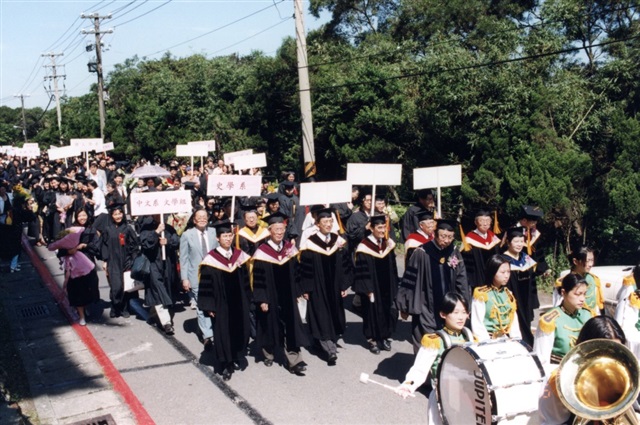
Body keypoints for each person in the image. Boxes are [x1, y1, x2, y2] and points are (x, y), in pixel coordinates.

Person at [394, 292, 475, 425]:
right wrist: (408, 385)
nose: (461, 317)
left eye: (464, 312)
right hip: (442, 397)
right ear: (443, 314)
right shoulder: (435, 341)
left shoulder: (470, 338)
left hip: (466, 398)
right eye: (455, 312)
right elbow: (420, 368)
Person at [538, 316, 629, 425]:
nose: (614, 359)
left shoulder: (625, 375)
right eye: (607, 353)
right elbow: (552, 422)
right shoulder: (558, 380)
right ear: (588, 350)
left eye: (618, 352)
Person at [396, 219, 469, 352]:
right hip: (426, 306)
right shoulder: (422, 253)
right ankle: (423, 370)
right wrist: (405, 306)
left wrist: (465, 305)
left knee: (448, 341)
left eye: (450, 237)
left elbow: (461, 279)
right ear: (435, 234)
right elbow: (409, 281)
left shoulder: (453, 251)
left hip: (449, 306)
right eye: (443, 236)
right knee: (426, 341)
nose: (447, 240)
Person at [252, 212, 309, 375]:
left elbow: (297, 272)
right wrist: (262, 299)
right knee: (269, 325)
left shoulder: (290, 249)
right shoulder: (262, 252)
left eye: (282, 229)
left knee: (291, 325)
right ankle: (268, 353)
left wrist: (299, 291)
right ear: (269, 230)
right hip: (270, 296)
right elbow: (258, 278)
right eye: (276, 229)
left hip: (288, 295)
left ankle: (294, 360)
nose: (279, 232)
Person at [197, 220, 252, 381]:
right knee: (223, 333)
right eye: (224, 236)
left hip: (239, 302)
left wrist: (248, 299)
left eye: (229, 235)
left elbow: (246, 280)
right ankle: (226, 363)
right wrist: (209, 306)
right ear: (217, 238)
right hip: (221, 304)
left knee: (239, 329)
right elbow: (205, 285)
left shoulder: (239, 256)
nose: (228, 239)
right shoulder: (211, 260)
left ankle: (236, 356)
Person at [298, 207, 353, 365]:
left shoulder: (338, 241)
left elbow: (344, 266)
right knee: (321, 315)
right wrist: (306, 289)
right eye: (325, 222)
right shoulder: (310, 243)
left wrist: (343, 286)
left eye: (330, 221)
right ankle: (329, 350)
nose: (328, 224)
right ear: (318, 224)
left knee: (333, 314)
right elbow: (305, 269)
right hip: (317, 287)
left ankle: (321, 341)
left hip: (334, 286)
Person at [353, 214, 399, 354]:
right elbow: (362, 271)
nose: (382, 230)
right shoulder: (364, 247)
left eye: (384, 227)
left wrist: (394, 285)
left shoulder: (387, 244)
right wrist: (367, 289)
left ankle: (384, 337)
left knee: (386, 311)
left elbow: (393, 267)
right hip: (372, 288)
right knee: (371, 313)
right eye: (379, 227)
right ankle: (372, 339)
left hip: (386, 286)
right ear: (371, 228)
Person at [533, 273, 592, 373]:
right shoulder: (550, 320)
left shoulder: (587, 315)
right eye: (577, 294)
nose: (582, 299)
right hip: (558, 372)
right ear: (563, 293)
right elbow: (542, 359)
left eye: (584, 294)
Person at [52, 209, 100, 325]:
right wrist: (69, 250)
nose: (82, 218)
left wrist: (85, 245)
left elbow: (97, 246)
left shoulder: (92, 229)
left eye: (85, 215)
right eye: (80, 216)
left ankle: (85, 306)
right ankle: (81, 315)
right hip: (73, 263)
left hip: (87, 262)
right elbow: (58, 246)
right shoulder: (69, 230)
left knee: (90, 286)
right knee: (76, 289)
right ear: (76, 217)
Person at [179, 207, 218, 350]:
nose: (202, 219)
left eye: (204, 216)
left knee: (215, 303)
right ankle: (207, 336)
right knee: (202, 306)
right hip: (195, 276)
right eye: (199, 217)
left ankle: (216, 330)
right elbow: (184, 259)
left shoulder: (214, 232)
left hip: (214, 275)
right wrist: (185, 278)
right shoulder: (187, 235)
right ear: (194, 220)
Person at [139, 214, 180, 335]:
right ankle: (166, 322)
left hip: (167, 264)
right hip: (152, 263)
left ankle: (153, 313)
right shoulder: (146, 228)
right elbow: (145, 244)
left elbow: (176, 242)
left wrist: (168, 242)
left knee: (163, 289)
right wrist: (156, 232)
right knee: (158, 289)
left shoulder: (169, 228)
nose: (162, 216)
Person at [100, 202, 139, 318]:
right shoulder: (107, 229)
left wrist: (132, 260)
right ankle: (115, 306)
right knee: (115, 286)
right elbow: (104, 246)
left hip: (126, 261)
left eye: (120, 213)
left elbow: (135, 246)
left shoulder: (127, 229)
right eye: (115, 214)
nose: (118, 216)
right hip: (113, 261)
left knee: (125, 286)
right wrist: (105, 261)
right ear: (111, 216)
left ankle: (125, 308)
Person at [471, 254, 522, 341]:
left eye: (508, 272)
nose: (506, 276)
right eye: (502, 272)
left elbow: (513, 320)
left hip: (505, 338)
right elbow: (477, 323)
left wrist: (516, 339)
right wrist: (486, 342)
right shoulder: (482, 295)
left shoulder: (508, 294)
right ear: (492, 272)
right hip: (488, 339)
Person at [502, 226, 538, 346]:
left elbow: (532, 282)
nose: (519, 244)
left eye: (521, 241)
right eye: (516, 241)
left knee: (526, 321)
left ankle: (527, 343)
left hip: (525, 298)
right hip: (512, 297)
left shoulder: (526, 258)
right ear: (508, 242)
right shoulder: (503, 260)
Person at [552, 246, 603, 317]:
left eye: (592, 260)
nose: (591, 264)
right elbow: (557, 310)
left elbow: (596, 307)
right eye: (587, 261)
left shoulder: (593, 279)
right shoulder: (564, 283)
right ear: (575, 261)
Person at [461, 210, 501, 290]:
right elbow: (466, 263)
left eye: (488, 220)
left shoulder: (493, 237)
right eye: (482, 221)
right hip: (477, 279)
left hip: (493, 276)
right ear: (476, 222)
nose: (485, 224)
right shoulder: (469, 239)